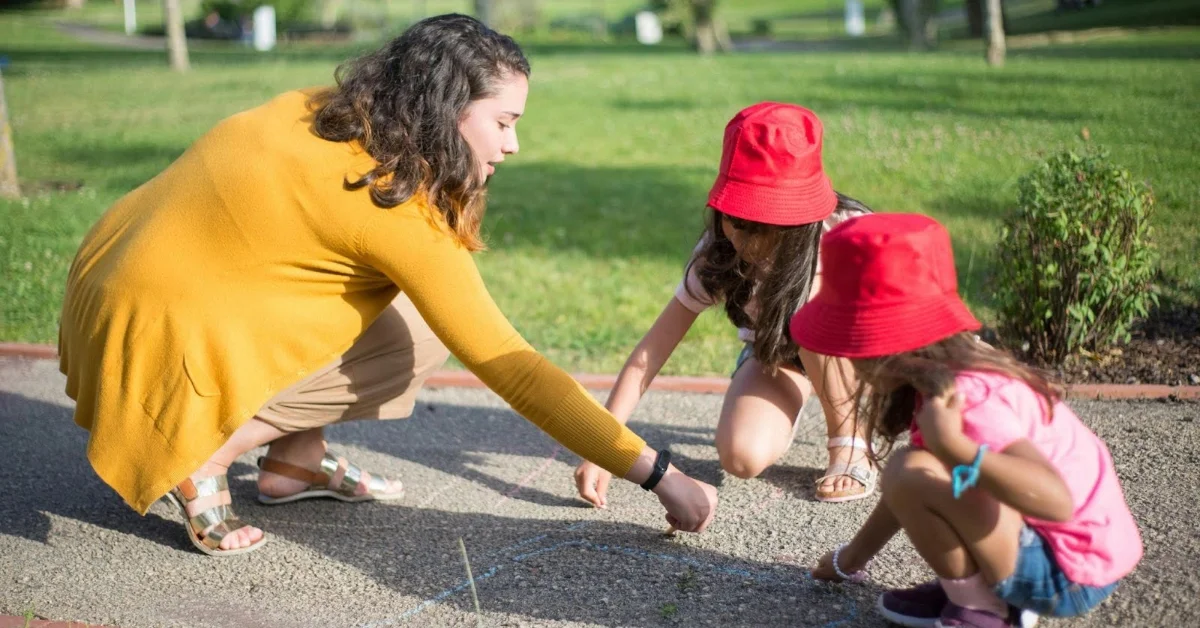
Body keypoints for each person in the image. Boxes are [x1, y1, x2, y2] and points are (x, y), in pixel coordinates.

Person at [58, 14, 717, 557]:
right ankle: (201, 454)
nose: (514, 146)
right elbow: (513, 368)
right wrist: (660, 475)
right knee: (423, 333)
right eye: (505, 122)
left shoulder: (320, 112)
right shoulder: (389, 206)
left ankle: (295, 461)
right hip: (153, 340)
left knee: (389, 300)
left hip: (105, 292)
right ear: (449, 110)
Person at [795, 213, 1142, 627]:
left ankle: (986, 609)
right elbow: (905, 493)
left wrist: (958, 449)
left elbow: (1056, 499)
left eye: (850, 343)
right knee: (913, 470)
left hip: (1069, 572)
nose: (846, 358)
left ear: (888, 345)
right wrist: (849, 560)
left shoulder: (971, 399)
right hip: (1063, 550)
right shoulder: (937, 381)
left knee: (911, 468)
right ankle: (969, 589)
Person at [573, 102, 877, 508]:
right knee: (740, 457)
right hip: (778, 355)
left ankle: (851, 444)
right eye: (738, 222)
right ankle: (805, 394)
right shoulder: (717, 253)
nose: (746, 243)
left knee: (808, 316)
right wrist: (605, 447)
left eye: (765, 227)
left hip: (857, 356)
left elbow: (906, 320)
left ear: (800, 219)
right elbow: (651, 352)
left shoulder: (848, 234)